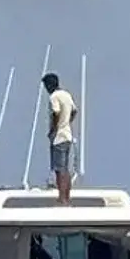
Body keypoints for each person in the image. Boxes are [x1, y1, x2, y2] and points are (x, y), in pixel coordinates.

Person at [42, 72, 78, 205]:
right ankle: (66, 197)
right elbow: (74, 111)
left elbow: (56, 113)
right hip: (67, 135)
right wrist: (67, 122)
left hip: (58, 137)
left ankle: (62, 198)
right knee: (65, 168)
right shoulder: (66, 95)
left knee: (59, 169)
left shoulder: (54, 97)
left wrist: (54, 128)